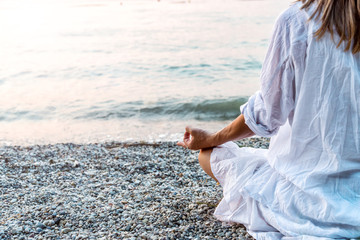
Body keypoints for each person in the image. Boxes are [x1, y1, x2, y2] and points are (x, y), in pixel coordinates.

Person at [177, 0, 360, 239]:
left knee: (208, 156)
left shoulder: (297, 21)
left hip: (308, 195)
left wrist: (212, 137)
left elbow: (267, 114)